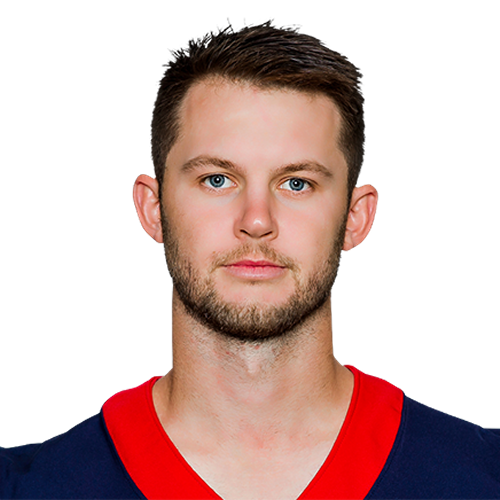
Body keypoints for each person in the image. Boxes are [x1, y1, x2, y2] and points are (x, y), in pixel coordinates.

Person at [1, 21, 498, 500]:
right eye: (217, 180)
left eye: (296, 183)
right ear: (152, 209)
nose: (256, 220)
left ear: (355, 217)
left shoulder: (485, 475)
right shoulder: (23, 487)